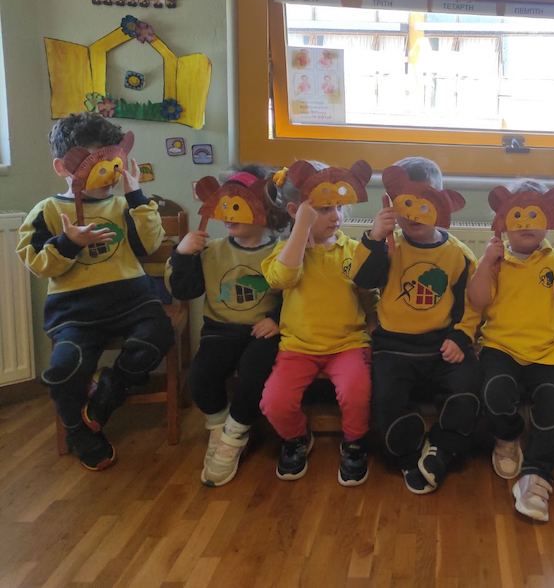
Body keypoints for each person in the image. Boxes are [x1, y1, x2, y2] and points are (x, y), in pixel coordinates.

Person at [16, 112, 173, 470]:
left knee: (158, 335)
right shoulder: (48, 210)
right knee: (65, 368)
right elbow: (38, 264)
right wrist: (68, 243)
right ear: (63, 167)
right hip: (75, 312)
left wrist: (136, 197)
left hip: (132, 301)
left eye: (113, 163)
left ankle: (109, 390)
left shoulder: (123, 205)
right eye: (93, 164)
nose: (108, 174)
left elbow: (149, 244)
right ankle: (78, 430)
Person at [468, 180, 554, 522]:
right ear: (504, 221)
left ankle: (538, 474)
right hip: (500, 347)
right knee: (495, 391)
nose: (525, 224)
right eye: (517, 216)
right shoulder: (496, 258)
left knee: (553, 402)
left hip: (546, 351)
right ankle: (507, 437)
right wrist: (486, 262)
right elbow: (477, 299)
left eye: (535, 215)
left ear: (548, 219)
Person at [362, 157, 482, 494]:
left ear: (442, 204)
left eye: (425, 203)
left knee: (468, 387)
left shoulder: (459, 254)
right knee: (385, 399)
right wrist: (375, 238)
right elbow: (364, 280)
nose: (414, 214)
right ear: (392, 204)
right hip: (393, 346)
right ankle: (409, 450)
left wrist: (461, 336)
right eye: (406, 203)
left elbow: (471, 305)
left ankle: (442, 447)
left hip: (442, 344)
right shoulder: (387, 245)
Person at [259, 160, 382, 484]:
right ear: (295, 211)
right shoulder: (285, 252)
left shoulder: (351, 249)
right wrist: (301, 228)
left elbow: (367, 291)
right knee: (274, 402)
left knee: (357, 392)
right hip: (298, 347)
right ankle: (297, 438)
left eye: (338, 207)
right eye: (324, 209)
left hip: (348, 344)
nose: (335, 216)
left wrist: (373, 321)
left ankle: (354, 443)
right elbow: (282, 279)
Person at [165, 166, 288, 487]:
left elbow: (296, 292)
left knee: (254, 372)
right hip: (219, 330)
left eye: (239, 206)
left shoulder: (280, 251)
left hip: (263, 333)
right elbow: (185, 290)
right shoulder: (211, 250)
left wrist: (276, 319)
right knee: (200, 377)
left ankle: (234, 435)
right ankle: (220, 427)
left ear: (264, 210)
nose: (229, 215)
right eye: (224, 205)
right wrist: (182, 254)